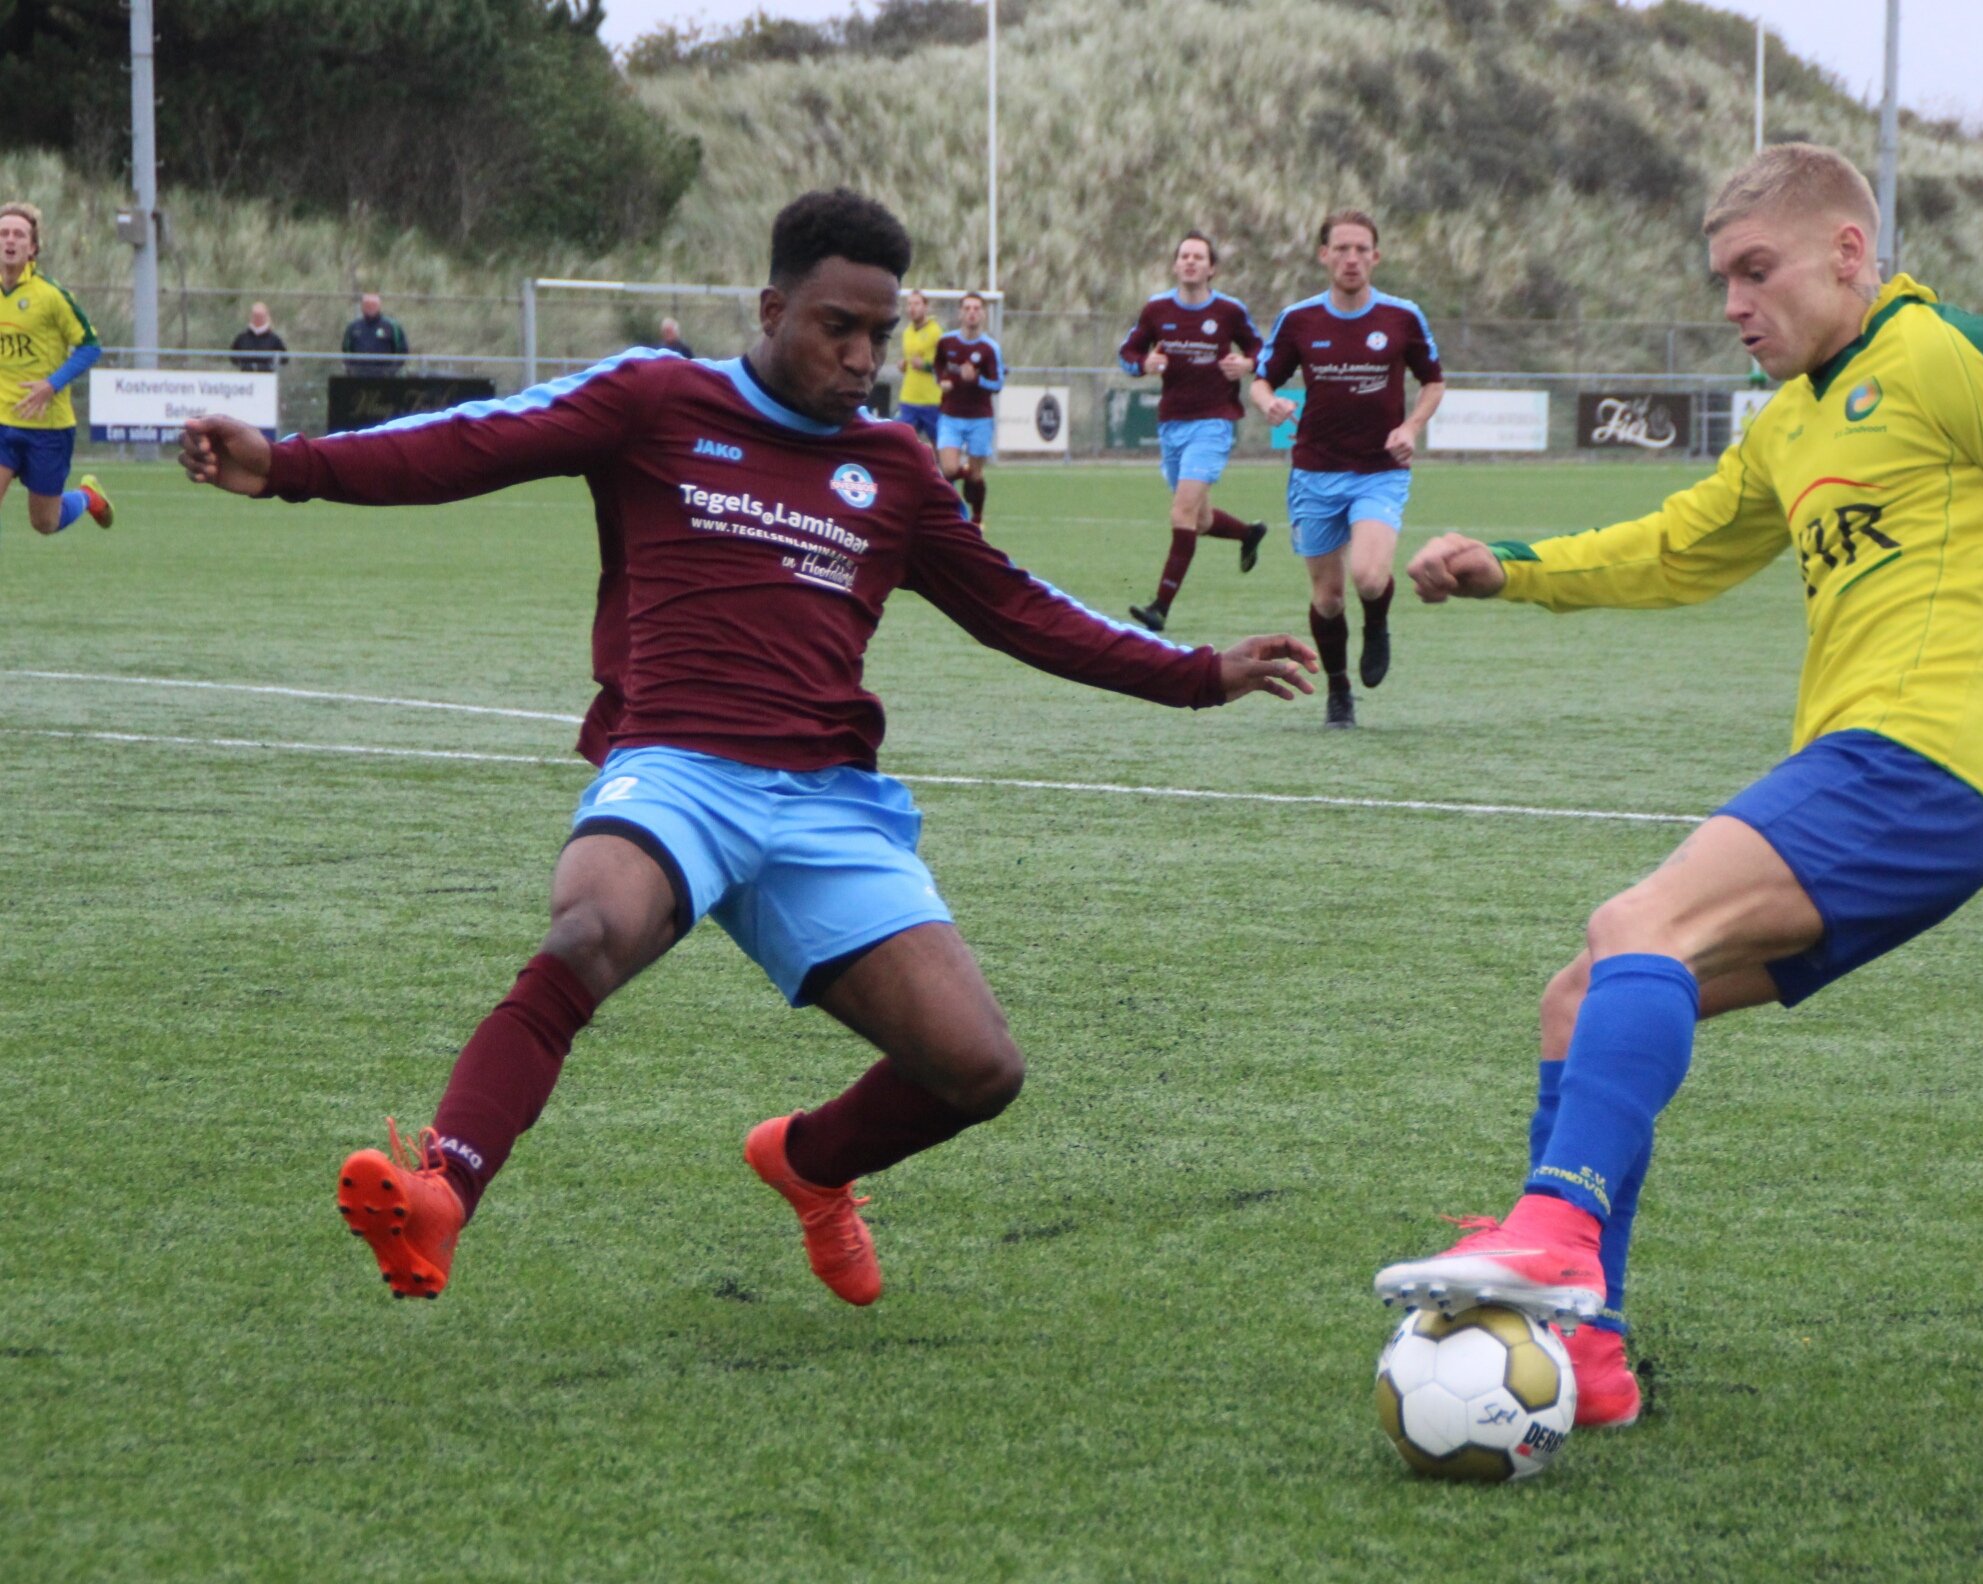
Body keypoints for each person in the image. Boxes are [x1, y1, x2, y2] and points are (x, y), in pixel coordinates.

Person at [177, 188, 1317, 1306]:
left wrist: (1192, 676)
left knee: (978, 1070)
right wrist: (292, 466)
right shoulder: (654, 400)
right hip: (677, 768)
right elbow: (477, 441)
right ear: (772, 309)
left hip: (827, 803)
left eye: (880, 332)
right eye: (839, 327)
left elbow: (1019, 609)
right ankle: (442, 1191)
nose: (864, 355)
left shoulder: (898, 472)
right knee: (587, 928)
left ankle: (812, 1163)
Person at [1372, 143, 1983, 1429]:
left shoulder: (1947, 357)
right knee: (1579, 998)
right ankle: (1586, 1351)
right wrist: (1512, 567)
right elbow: (1681, 547)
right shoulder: (1794, 417)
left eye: (1757, 271)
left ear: (1847, 253)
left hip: (1921, 764)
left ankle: (1555, 1229)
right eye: (1721, 282)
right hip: (1871, 783)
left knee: (1635, 926)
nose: (1736, 304)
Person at [1250, 210, 1445, 728]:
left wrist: (1411, 427)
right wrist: (1267, 402)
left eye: (1361, 249)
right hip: (1314, 471)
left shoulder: (1402, 317)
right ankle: (1339, 689)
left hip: (1380, 469)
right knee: (1329, 598)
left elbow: (1434, 382)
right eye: (1341, 249)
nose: (1352, 258)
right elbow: (1261, 379)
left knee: (1368, 575)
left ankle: (1377, 623)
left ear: (1376, 257)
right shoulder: (1299, 319)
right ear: (1324, 256)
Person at [1118, 230, 1269, 634]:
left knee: (1182, 512)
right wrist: (1143, 364)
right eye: (1184, 255)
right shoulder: (1156, 310)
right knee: (1199, 519)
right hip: (1171, 424)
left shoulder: (1229, 311)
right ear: (1174, 264)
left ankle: (1160, 608)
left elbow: (1263, 349)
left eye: (1198, 257)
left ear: (1211, 268)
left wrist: (1248, 364)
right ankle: (1249, 533)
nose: (1190, 262)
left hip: (1214, 422)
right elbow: (1127, 354)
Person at [0, 202, 112, 536]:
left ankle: (87, 496)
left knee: (45, 523)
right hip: (3, 420)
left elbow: (91, 346)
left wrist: (52, 383)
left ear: (32, 248)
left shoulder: (50, 296)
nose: (10, 240)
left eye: (19, 234)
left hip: (47, 428)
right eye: (3, 233)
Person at [933, 291, 1001, 525]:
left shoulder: (989, 349)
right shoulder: (946, 342)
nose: (972, 313)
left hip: (980, 418)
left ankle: (977, 518)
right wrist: (941, 380)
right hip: (950, 416)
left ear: (982, 314)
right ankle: (950, 516)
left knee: (975, 476)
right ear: (961, 313)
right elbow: (938, 365)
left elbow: (997, 383)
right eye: (968, 308)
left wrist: (976, 380)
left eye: (976, 309)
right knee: (949, 469)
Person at [893, 289, 942, 446]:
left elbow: (944, 364)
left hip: (931, 400)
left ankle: (940, 471)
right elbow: (911, 360)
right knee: (900, 441)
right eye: (909, 304)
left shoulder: (936, 332)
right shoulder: (907, 332)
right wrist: (904, 365)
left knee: (938, 443)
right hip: (908, 398)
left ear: (925, 307)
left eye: (916, 304)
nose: (912, 308)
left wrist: (926, 365)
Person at [341, 293, 407, 377]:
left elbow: (402, 350)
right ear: (362, 306)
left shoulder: (392, 326)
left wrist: (391, 370)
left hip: (385, 377)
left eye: (373, 304)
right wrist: (351, 369)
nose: (370, 307)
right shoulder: (353, 326)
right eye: (367, 304)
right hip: (358, 376)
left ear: (379, 306)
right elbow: (346, 350)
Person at [230, 302, 288, 373]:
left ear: (266, 317)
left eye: (260, 316)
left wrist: (271, 365)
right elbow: (232, 355)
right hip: (246, 377)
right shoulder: (242, 338)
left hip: (267, 377)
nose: (258, 319)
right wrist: (242, 364)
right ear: (251, 316)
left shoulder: (274, 339)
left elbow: (284, 359)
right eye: (255, 316)